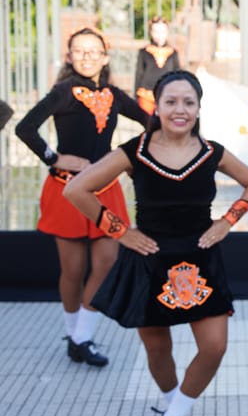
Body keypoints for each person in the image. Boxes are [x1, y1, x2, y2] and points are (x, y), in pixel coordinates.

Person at [63, 69, 248, 416]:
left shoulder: (211, 152)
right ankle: (173, 409)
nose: (180, 109)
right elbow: (76, 190)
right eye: (171, 101)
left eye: (188, 102)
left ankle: (174, 414)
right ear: (158, 106)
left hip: (200, 261)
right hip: (148, 261)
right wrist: (121, 232)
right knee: (158, 351)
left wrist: (227, 221)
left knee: (215, 346)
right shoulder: (134, 151)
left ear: (199, 108)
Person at [15, 26, 149, 367]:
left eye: (94, 51)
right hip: (66, 191)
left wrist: (130, 158)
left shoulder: (115, 94)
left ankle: (81, 337)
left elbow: (151, 123)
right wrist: (54, 157)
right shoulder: (62, 91)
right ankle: (76, 336)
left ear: (105, 57)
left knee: (106, 262)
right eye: (80, 51)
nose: (88, 57)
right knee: (72, 270)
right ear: (69, 56)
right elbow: (25, 128)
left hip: (107, 191)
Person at [134, 16, 181, 115]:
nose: (160, 35)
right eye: (156, 31)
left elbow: (177, 75)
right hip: (147, 95)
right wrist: (136, 95)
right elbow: (139, 74)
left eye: (162, 32)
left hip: (168, 94)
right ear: (151, 32)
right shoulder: (144, 52)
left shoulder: (173, 53)